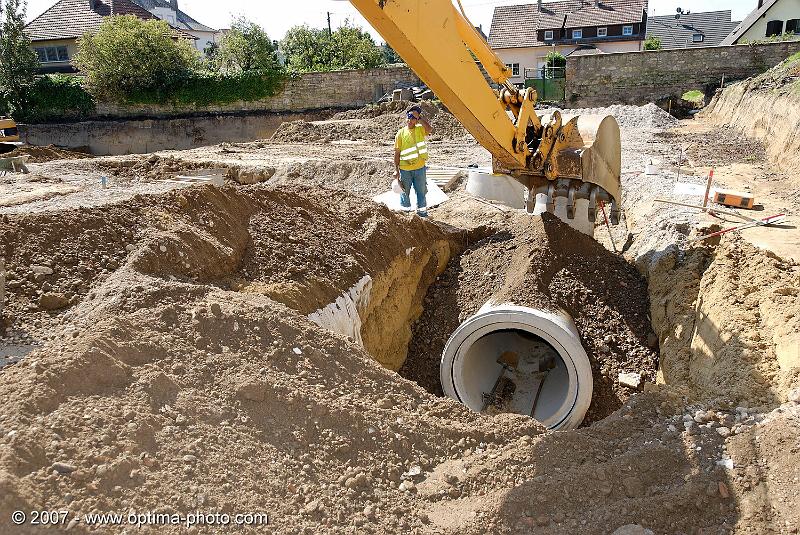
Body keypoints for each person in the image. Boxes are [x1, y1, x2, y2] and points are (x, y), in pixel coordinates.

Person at [394, 105, 434, 217]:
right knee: (404, 193)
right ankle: (405, 215)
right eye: (409, 116)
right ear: (406, 117)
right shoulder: (400, 133)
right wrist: (396, 170)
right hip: (405, 169)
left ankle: (422, 214)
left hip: (420, 168)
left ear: (417, 120)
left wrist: (419, 119)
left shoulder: (420, 129)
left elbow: (430, 129)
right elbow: (397, 153)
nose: (411, 120)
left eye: (414, 118)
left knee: (421, 192)